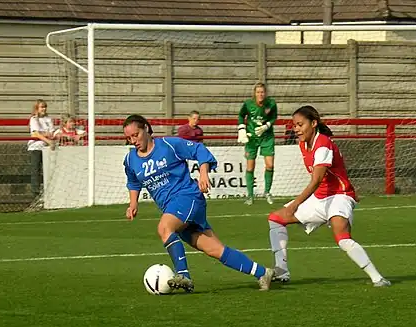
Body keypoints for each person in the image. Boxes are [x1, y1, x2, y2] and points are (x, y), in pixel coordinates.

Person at [123, 114, 274, 292]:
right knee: (215, 250)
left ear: (146, 129)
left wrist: (203, 173)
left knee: (164, 228)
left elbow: (199, 151)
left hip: (187, 198)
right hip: (173, 208)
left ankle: (184, 276)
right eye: (128, 138)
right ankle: (263, 272)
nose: (133, 140)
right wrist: (133, 203)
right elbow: (133, 181)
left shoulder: (169, 145)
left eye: (136, 135)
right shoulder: (130, 159)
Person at [267, 105, 391, 287]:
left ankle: (378, 278)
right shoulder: (303, 144)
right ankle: (281, 271)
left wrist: (296, 204)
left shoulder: (323, 144)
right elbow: (318, 183)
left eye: (300, 124)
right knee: (275, 219)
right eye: (294, 125)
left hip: (339, 196)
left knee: (342, 236)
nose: (296, 129)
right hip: (320, 198)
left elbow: (317, 179)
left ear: (314, 123)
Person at [237, 82, 277, 205]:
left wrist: (267, 125)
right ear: (254, 93)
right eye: (258, 92)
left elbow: (274, 117)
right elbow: (241, 115)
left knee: (269, 165)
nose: (260, 94)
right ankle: (250, 195)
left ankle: (267, 192)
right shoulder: (248, 104)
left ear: (265, 93)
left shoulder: (271, 104)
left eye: (262, 92)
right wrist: (242, 129)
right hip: (252, 138)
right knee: (250, 166)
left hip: (266, 136)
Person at [27, 99, 55, 198]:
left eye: (45, 107)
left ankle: (49, 190)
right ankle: (36, 193)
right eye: (41, 107)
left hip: (46, 148)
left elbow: (51, 133)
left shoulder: (48, 119)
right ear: (37, 108)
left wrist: (46, 135)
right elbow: (36, 133)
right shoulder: (34, 119)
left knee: (49, 169)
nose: (43, 109)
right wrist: (47, 139)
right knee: (36, 170)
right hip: (36, 147)